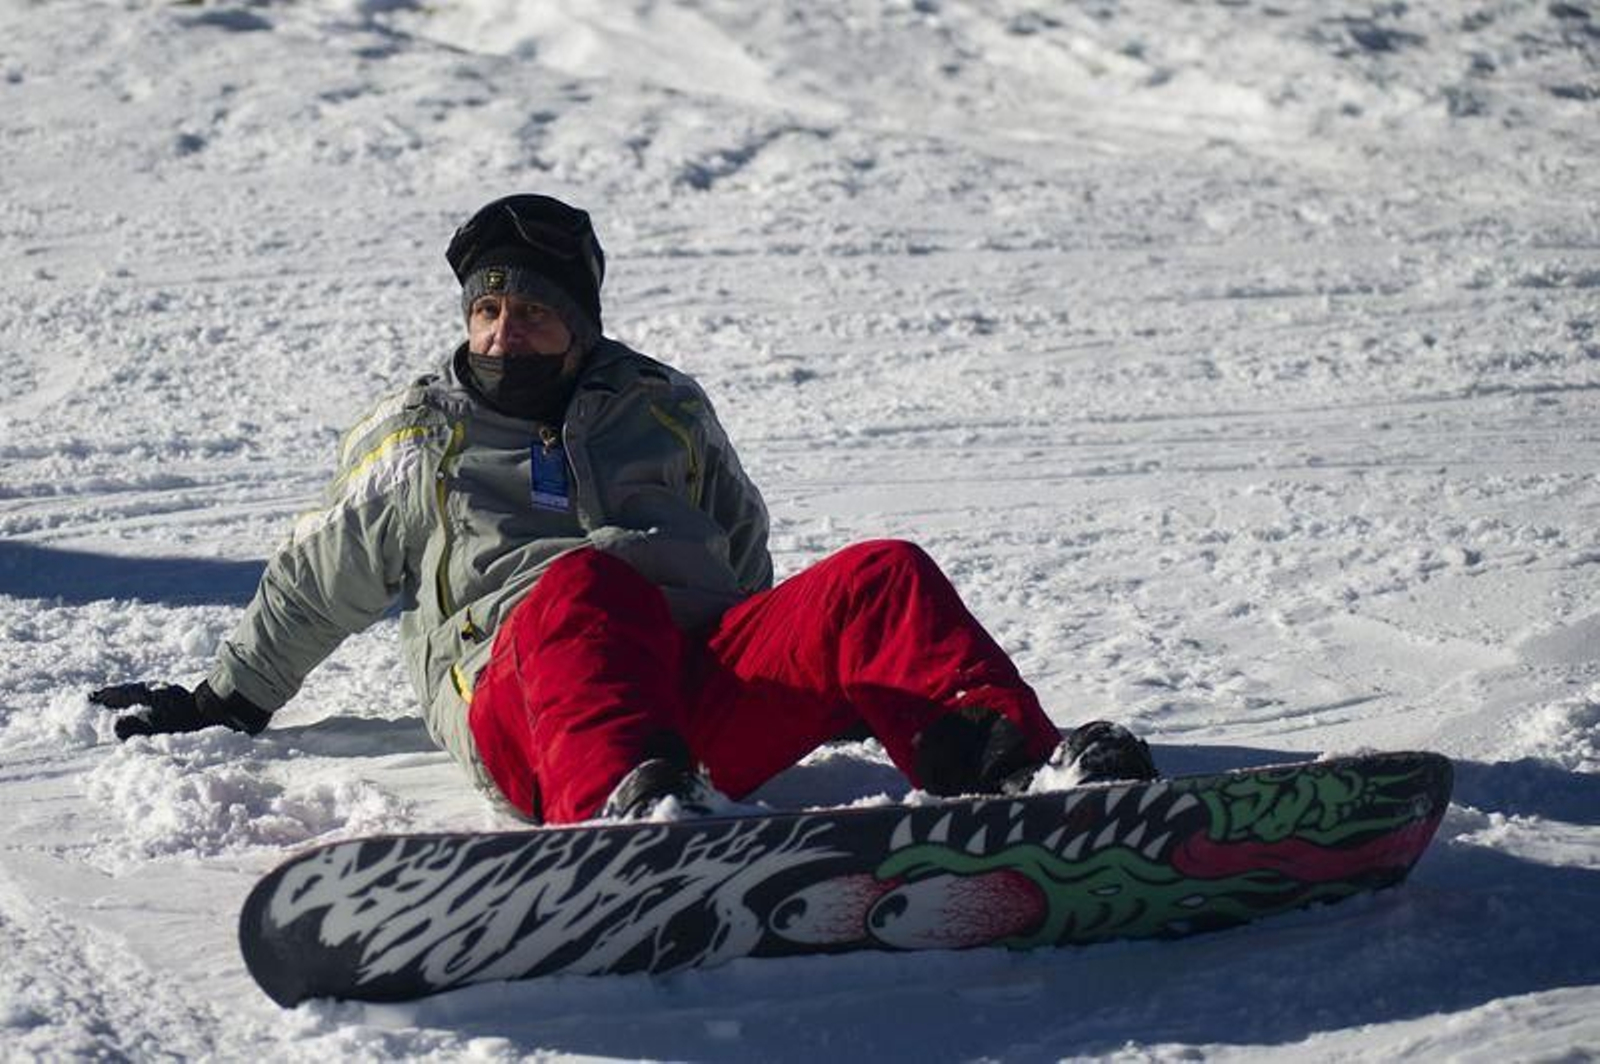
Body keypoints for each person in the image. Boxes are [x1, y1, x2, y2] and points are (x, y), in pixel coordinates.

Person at [90, 194, 1157, 824]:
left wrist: (806, 668)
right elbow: (314, 577)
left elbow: (741, 549)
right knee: (586, 582)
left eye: (536, 312)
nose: (506, 332)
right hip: (537, 717)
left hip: (689, 706)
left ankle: (1016, 772)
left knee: (880, 574)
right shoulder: (421, 435)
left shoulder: (663, 406)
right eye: (489, 309)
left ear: (582, 323)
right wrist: (227, 700)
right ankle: (631, 813)